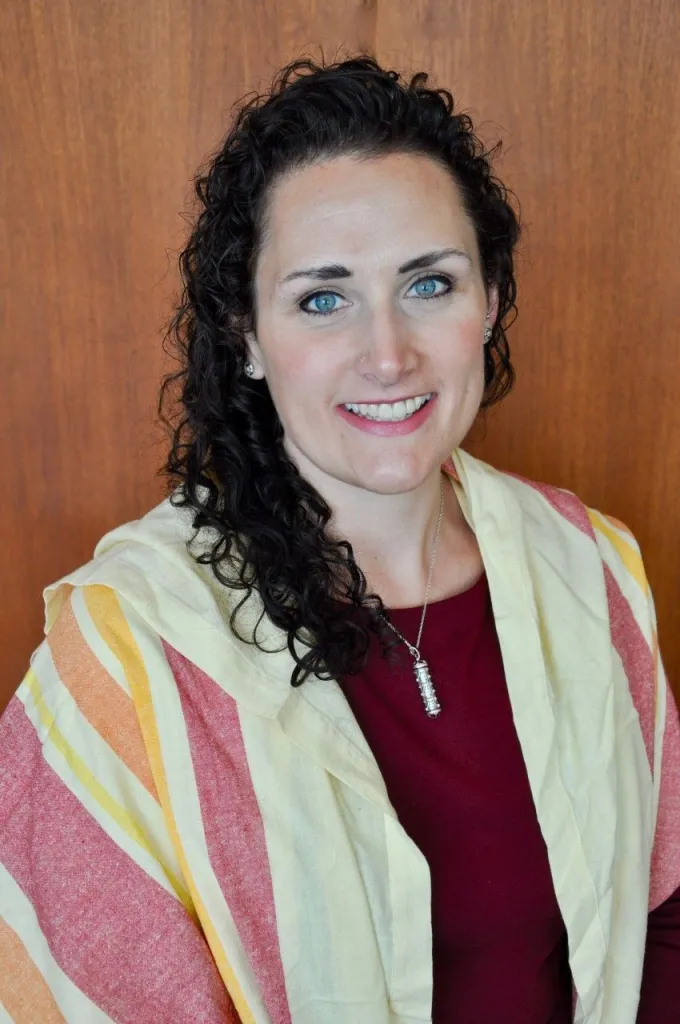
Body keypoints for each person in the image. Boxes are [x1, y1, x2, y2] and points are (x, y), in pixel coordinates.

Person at [0, 54, 678, 1024]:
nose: (386, 352)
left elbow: (662, 916)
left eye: (428, 284)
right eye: (323, 298)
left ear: (487, 299)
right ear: (244, 333)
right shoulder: (126, 648)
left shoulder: (591, 566)